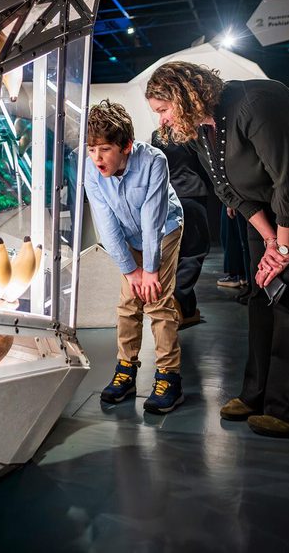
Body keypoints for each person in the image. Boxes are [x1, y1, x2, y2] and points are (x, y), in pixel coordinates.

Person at [146, 61, 289, 439]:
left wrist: (280, 248)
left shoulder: (255, 104)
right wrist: (267, 239)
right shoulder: (198, 129)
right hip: (264, 214)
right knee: (261, 298)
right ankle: (259, 393)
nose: (162, 123)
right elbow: (225, 188)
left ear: (184, 96)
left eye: (163, 111)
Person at [83, 100, 185, 414]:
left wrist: (150, 271)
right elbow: (106, 224)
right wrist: (131, 271)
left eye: (104, 149)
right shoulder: (90, 168)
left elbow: (152, 220)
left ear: (126, 145)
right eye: (91, 149)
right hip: (127, 237)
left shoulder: (154, 161)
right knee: (128, 304)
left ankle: (169, 375)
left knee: (155, 299)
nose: (97, 158)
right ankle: (126, 371)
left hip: (163, 230)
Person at [151, 128, 210, 327]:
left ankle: (187, 309)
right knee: (195, 251)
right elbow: (205, 164)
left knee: (177, 252)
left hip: (169, 197)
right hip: (192, 193)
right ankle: (176, 298)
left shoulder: (157, 135)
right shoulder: (192, 133)